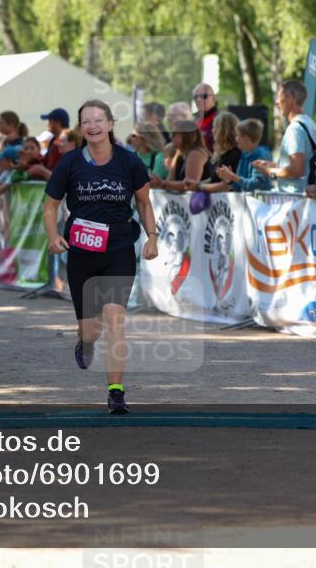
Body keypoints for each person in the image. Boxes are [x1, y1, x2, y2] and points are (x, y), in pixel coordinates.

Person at [43, 99, 158, 414]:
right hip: (82, 253)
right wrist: (53, 236)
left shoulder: (129, 161)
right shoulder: (70, 162)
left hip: (119, 250)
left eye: (98, 120)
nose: (92, 126)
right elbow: (51, 204)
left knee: (114, 319)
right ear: (81, 128)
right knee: (91, 329)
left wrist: (152, 237)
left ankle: (116, 392)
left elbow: (144, 202)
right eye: (86, 122)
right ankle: (85, 341)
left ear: (109, 124)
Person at [252, 80, 316, 194]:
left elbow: (297, 169)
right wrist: (274, 165)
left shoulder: (295, 129)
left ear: (290, 98)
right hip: (304, 194)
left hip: (295, 197)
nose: (277, 102)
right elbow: (304, 163)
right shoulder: (311, 124)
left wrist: (270, 171)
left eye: (279, 97)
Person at [196, 118, 272, 194]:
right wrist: (229, 180)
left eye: (238, 135)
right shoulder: (244, 155)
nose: (236, 139)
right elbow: (239, 188)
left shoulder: (261, 156)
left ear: (246, 138)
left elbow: (255, 187)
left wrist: (233, 176)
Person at [162, 120, 210, 192]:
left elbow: (190, 185)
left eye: (174, 134)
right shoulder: (179, 153)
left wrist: (161, 183)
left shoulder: (195, 154)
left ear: (187, 135)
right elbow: (171, 181)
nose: (170, 137)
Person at [205, 111, 241, 184]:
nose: (212, 130)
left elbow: (226, 186)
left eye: (215, 127)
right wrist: (198, 184)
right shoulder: (219, 151)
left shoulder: (236, 153)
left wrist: (199, 186)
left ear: (224, 130)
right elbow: (212, 179)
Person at [192, 83, 219, 151]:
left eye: (204, 96)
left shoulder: (221, 120)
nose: (198, 99)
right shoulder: (193, 122)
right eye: (195, 97)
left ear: (214, 98)